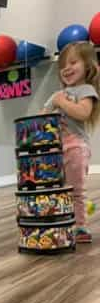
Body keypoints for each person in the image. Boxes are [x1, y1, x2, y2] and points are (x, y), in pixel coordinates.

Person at [42, 41, 100, 243]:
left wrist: (62, 102)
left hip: (76, 148)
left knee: (76, 190)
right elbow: (42, 118)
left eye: (73, 62)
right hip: (55, 149)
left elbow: (83, 113)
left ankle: (81, 227)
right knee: (56, 189)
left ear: (88, 65)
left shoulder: (86, 90)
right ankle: (62, 223)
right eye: (63, 66)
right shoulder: (56, 95)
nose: (66, 68)